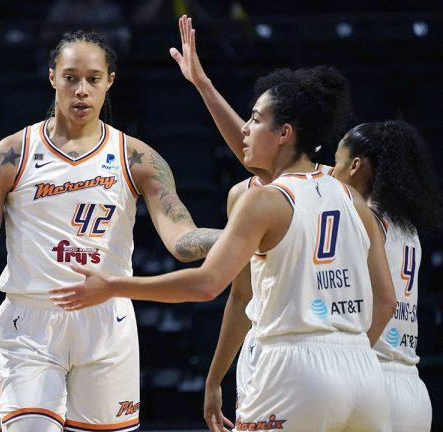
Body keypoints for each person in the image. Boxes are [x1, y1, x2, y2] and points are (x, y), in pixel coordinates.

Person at [49, 64, 398, 430]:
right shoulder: (351, 197)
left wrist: (114, 286)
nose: (245, 128)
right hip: (364, 373)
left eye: (255, 119)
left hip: (295, 367)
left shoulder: (263, 201)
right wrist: (204, 86)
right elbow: (385, 297)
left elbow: (206, 284)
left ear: (284, 133)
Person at [0, 31, 220, 432]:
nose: (82, 90)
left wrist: (238, 236)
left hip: (107, 323)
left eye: (93, 79)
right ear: (51, 78)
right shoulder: (9, 156)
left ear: (110, 81)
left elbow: (182, 241)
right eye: (70, 77)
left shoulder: (139, 159)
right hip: (30, 322)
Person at [170, 16, 440, 431]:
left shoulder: (337, 200)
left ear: (355, 166)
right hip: (391, 381)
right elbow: (262, 160)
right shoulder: (393, 221)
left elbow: (269, 171)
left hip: (333, 366)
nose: (327, 168)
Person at [331, 121, 441, 431]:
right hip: (412, 388)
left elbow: (386, 303)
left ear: (354, 166)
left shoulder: (362, 219)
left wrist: (350, 365)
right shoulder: (408, 228)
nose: (330, 173)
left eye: (336, 162)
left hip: (374, 379)